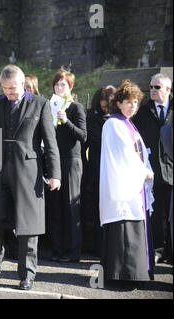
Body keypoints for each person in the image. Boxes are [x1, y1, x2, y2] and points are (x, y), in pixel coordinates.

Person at [0, 65, 61, 291]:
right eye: (5, 88)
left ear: (23, 83)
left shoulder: (40, 104)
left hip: (28, 172)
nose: (9, 92)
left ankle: (27, 273)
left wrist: (54, 174)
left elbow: (50, 142)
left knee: (28, 225)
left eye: (13, 88)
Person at [100, 79, 155, 284]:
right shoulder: (114, 124)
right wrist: (143, 171)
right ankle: (122, 276)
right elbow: (124, 154)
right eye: (129, 102)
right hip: (122, 188)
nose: (133, 106)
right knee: (123, 231)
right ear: (120, 103)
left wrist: (146, 168)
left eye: (136, 102)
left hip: (134, 187)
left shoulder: (129, 125)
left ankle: (136, 273)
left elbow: (141, 154)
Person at [47, 68, 87, 263]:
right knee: (55, 206)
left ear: (70, 87)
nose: (59, 87)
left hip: (72, 161)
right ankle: (57, 250)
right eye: (57, 84)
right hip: (54, 160)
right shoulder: (50, 107)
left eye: (63, 84)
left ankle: (73, 252)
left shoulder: (75, 107)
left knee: (71, 206)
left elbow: (83, 135)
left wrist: (66, 121)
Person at [133, 73, 173, 264]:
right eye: (151, 87)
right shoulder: (143, 112)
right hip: (152, 170)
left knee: (171, 214)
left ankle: (171, 251)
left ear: (167, 89)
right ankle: (157, 249)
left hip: (171, 170)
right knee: (155, 213)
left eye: (157, 87)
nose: (152, 91)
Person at [83, 85, 116, 256]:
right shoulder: (91, 117)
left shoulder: (117, 119)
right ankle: (98, 245)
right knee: (97, 209)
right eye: (103, 107)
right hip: (96, 168)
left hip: (114, 171)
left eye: (109, 107)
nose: (106, 110)